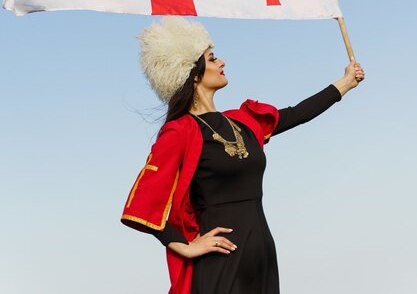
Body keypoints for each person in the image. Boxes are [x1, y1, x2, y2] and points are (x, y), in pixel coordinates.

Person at [121, 17, 364, 294]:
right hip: (220, 258)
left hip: (261, 253)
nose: (221, 62)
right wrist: (185, 247)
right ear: (194, 74)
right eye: (212, 58)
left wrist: (345, 83)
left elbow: (297, 114)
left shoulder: (243, 121)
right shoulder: (180, 131)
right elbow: (142, 204)